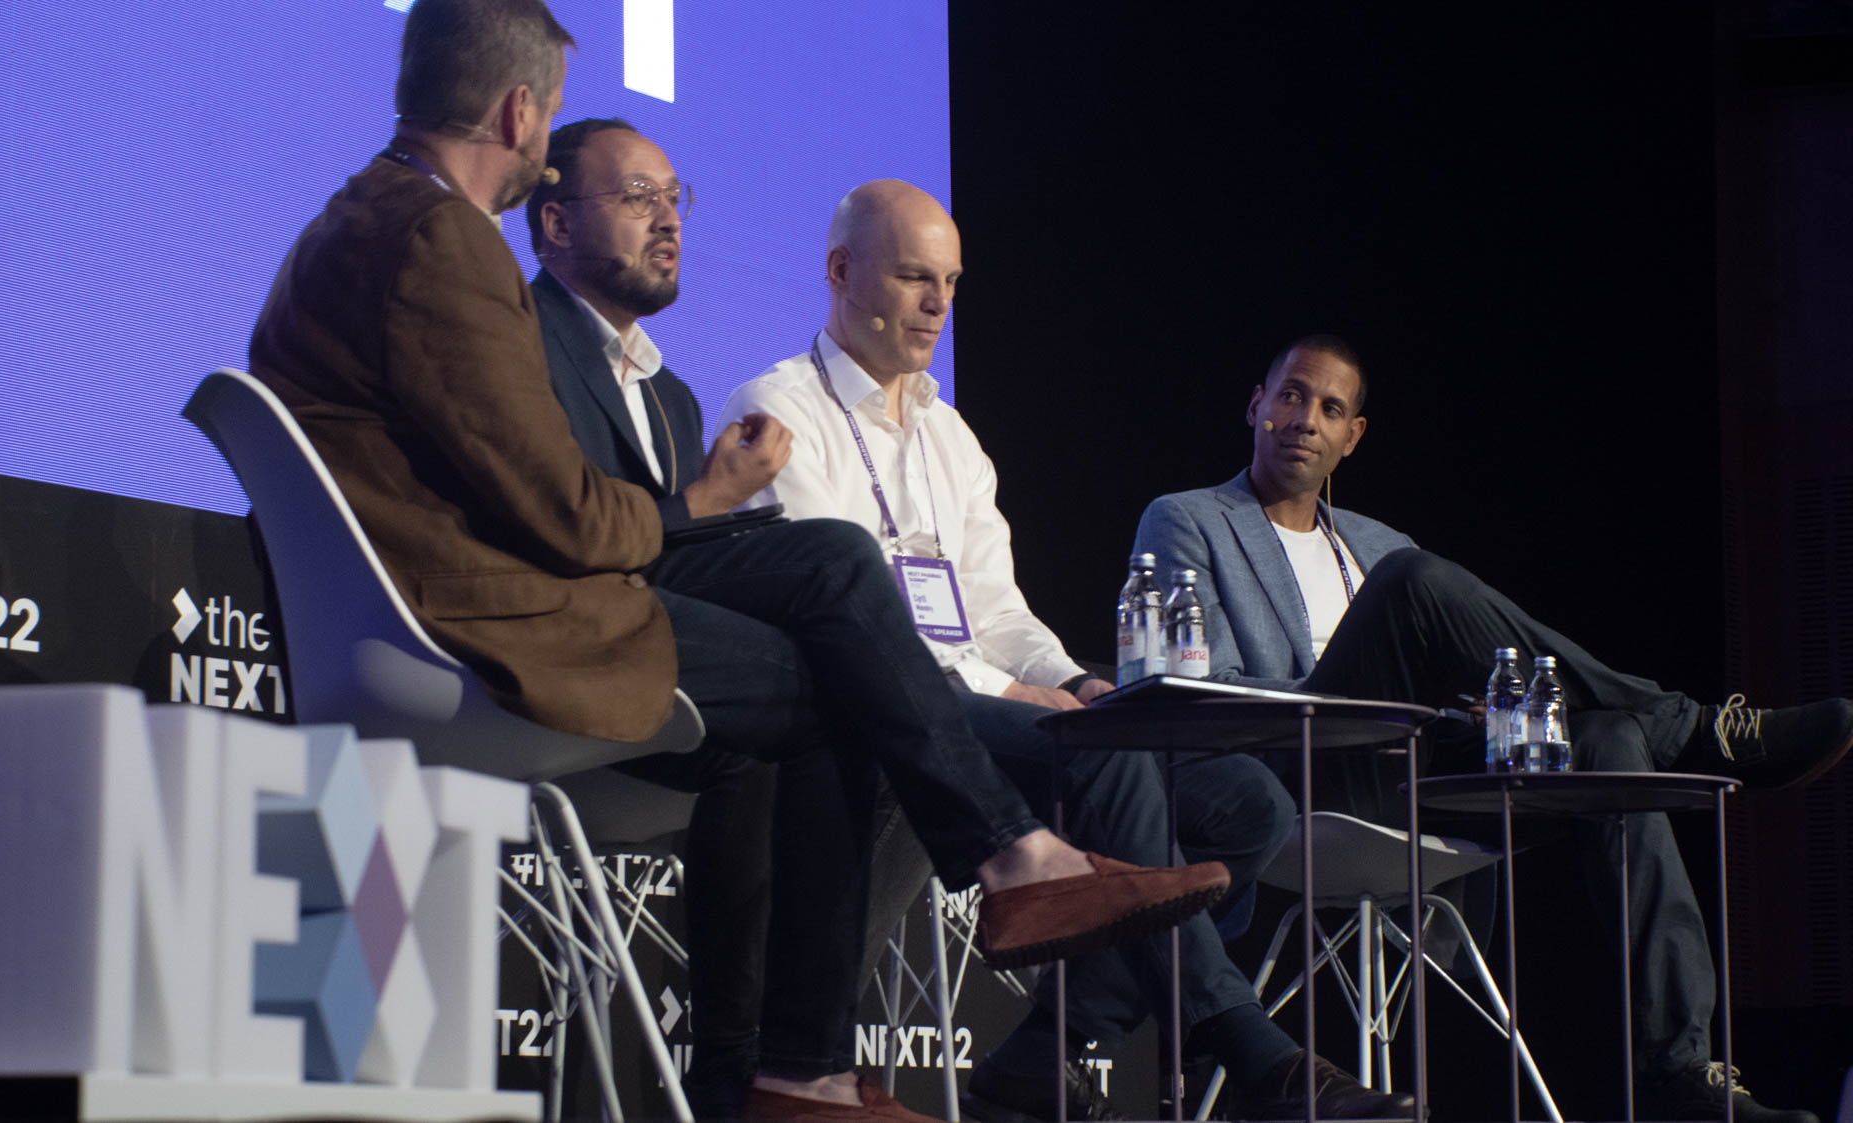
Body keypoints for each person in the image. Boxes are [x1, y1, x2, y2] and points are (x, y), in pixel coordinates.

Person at [245, 5, 1227, 1120]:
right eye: (553, 119)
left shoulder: (365, 218)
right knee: (842, 657)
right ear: (520, 112)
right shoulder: (442, 239)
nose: (545, 143)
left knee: (830, 567)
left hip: (464, 598)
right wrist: (708, 498)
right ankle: (849, 1017)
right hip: (476, 623)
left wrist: (715, 520)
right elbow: (560, 515)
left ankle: (927, 946)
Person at [716, 180, 1416, 1122]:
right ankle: (1254, 1053)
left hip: (981, 700)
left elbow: (996, 608)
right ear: (841, 271)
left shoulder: (948, 434)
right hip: (877, 710)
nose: (937, 304)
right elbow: (850, 629)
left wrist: (1073, 680)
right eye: (916, 277)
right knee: (1108, 764)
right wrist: (1010, 691)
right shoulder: (778, 408)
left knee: (1246, 802)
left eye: (952, 283)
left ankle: (1048, 1047)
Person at [1133, 334, 1853, 1123]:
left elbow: (1440, 685)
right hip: (1300, 770)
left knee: (1611, 742)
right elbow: (1206, 687)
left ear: (1353, 435)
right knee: (1412, 583)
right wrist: (1362, 682)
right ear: (1257, 405)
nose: (1307, 418)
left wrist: (1471, 714)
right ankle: (1693, 726)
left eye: (1331, 408)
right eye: (1292, 395)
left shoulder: (1377, 542)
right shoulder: (1190, 519)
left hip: (1415, 775)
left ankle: (1681, 1069)